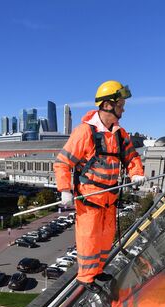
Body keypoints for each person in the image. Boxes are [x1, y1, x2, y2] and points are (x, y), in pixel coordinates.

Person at [54, 80, 145, 293]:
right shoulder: (85, 132)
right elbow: (62, 162)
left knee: (105, 239)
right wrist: (65, 190)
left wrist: (137, 173)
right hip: (89, 200)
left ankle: (98, 270)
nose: (123, 108)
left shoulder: (120, 134)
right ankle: (85, 277)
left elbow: (131, 157)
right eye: (120, 104)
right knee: (89, 239)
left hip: (109, 199)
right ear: (107, 104)